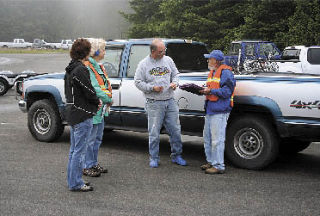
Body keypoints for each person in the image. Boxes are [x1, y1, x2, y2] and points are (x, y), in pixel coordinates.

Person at [134, 38, 187, 168]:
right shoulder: (143, 64)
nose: (163, 52)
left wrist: (175, 83)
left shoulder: (168, 60)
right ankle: (154, 158)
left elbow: (176, 74)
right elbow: (138, 82)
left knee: (175, 130)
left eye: (164, 50)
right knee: (154, 132)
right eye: (161, 51)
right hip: (154, 103)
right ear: (153, 51)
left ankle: (177, 156)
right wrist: (152, 88)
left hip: (170, 101)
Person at [65, 38, 101, 191]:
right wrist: (97, 100)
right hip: (82, 115)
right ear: (85, 53)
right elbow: (89, 90)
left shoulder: (70, 68)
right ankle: (76, 183)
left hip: (73, 113)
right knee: (79, 151)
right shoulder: (81, 69)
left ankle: (73, 181)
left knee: (74, 151)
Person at [199, 50, 236, 174]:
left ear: (216, 60)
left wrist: (210, 91)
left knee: (217, 140)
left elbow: (227, 92)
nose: (208, 60)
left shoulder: (226, 73)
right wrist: (203, 90)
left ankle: (219, 165)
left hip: (220, 110)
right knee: (208, 138)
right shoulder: (213, 72)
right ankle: (211, 162)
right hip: (211, 109)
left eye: (210, 58)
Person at [83, 38, 112, 177]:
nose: (105, 52)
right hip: (93, 109)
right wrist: (108, 99)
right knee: (90, 140)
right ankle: (87, 166)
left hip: (100, 110)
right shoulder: (89, 67)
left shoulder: (99, 66)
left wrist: (107, 99)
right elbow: (95, 88)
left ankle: (93, 163)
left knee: (97, 138)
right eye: (104, 49)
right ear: (97, 51)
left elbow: (105, 85)